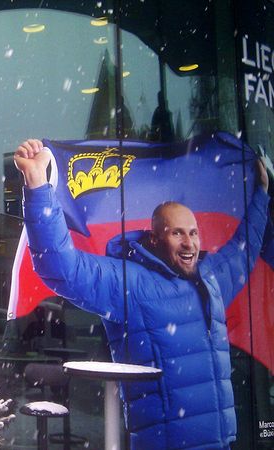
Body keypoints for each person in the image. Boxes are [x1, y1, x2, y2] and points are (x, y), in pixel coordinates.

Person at [14, 139, 270, 450]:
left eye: (193, 233)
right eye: (177, 233)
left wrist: (263, 193)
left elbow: (245, 248)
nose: (189, 243)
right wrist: (37, 183)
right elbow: (61, 267)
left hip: (220, 443)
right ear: (154, 238)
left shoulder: (211, 277)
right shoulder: (129, 283)